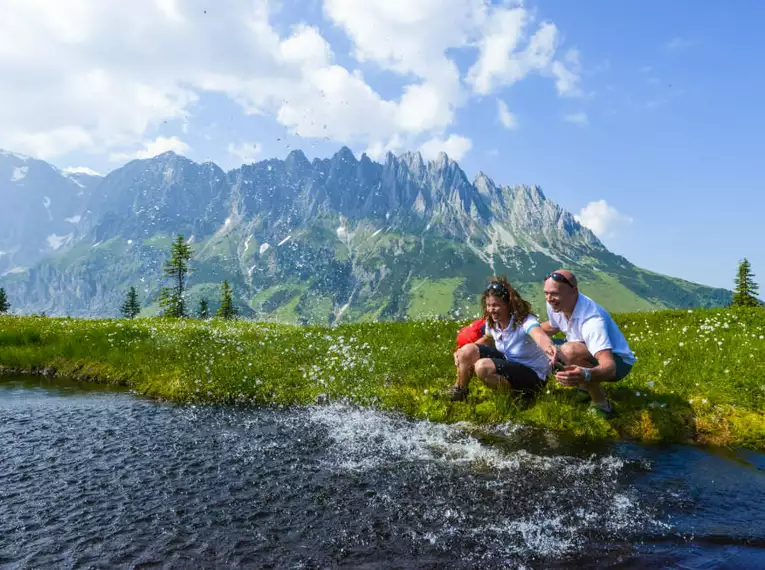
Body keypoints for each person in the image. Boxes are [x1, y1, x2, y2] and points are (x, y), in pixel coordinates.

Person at [540, 269, 636, 418]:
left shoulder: (592, 321)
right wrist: (525, 330)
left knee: (569, 350)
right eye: (546, 293)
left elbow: (609, 367)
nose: (549, 298)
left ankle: (603, 405)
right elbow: (553, 326)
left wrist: (586, 374)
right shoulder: (556, 304)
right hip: (586, 350)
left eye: (554, 293)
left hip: (618, 363)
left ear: (573, 291)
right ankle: (584, 390)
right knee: (541, 344)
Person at [450, 277, 559, 402]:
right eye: (489, 305)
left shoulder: (524, 320)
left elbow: (538, 335)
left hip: (534, 375)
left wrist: (549, 348)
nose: (491, 310)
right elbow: (488, 339)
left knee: (482, 367)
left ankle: (516, 399)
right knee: (466, 351)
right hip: (510, 362)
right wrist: (462, 352)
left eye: (496, 305)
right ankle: (459, 392)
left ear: (508, 304)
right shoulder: (493, 323)